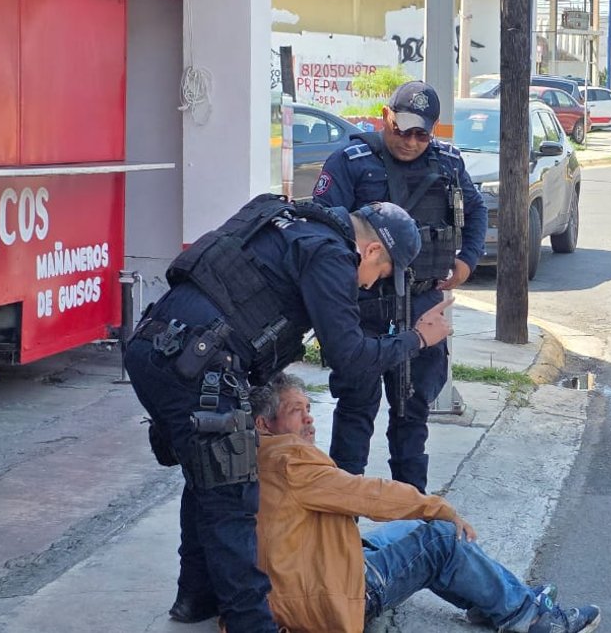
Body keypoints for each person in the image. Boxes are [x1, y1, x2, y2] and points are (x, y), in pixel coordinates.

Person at [125, 198, 452, 633]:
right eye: (383, 275)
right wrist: (417, 340)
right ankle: (250, 624)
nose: (372, 287)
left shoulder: (287, 217)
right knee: (231, 498)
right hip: (197, 366)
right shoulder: (334, 253)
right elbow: (349, 357)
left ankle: (196, 597)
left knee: (203, 476)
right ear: (372, 251)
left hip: (154, 348)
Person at [248, 373, 602, 633]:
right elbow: (368, 494)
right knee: (441, 539)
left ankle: (496, 600)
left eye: (309, 408)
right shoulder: (289, 462)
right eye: (297, 411)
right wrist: (436, 506)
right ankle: (534, 619)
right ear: (265, 424)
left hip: (303, 583)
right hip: (323, 598)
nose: (309, 417)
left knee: (413, 529)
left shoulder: (259, 458)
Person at [311, 81, 488, 491]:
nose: (409, 141)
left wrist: (467, 260)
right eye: (401, 129)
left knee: (413, 412)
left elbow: (476, 211)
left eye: (420, 134)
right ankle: (342, 520)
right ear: (385, 117)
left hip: (422, 300)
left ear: (434, 130)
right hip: (364, 305)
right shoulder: (351, 162)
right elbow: (322, 229)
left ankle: (412, 512)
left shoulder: (448, 162)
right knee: (356, 410)